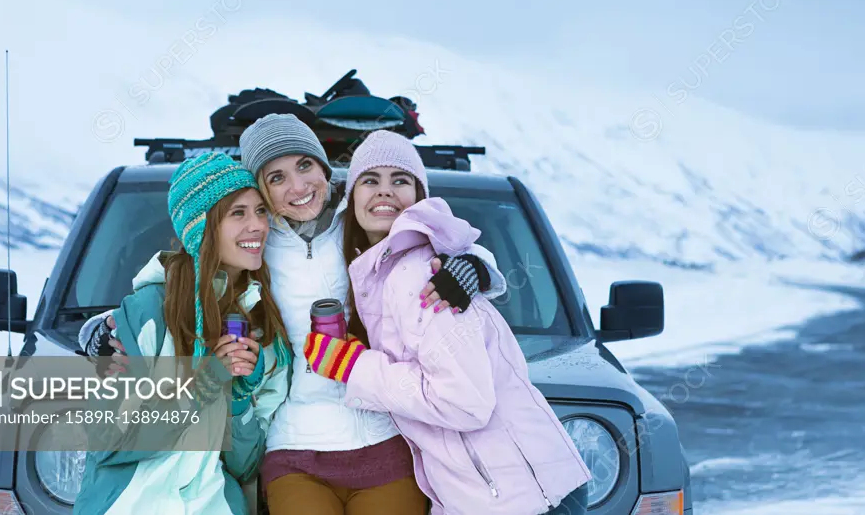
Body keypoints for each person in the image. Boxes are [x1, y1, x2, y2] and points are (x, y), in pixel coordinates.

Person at [83, 114, 505, 515]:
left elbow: (431, 237)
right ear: (261, 189)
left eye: (306, 165)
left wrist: (474, 264)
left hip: (385, 426)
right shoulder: (256, 245)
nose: (298, 186)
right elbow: (188, 268)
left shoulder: (361, 224)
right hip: (292, 440)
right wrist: (99, 327)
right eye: (276, 177)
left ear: (325, 168)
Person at [303, 130, 592, 515]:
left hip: (521, 497)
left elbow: (464, 403)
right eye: (370, 180)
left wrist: (354, 367)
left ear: (420, 199)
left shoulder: (423, 276)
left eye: (400, 180)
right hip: (490, 492)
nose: (385, 191)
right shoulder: (379, 273)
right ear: (352, 197)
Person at [74, 152, 293, 515]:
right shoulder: (147, 313)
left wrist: (239, 400)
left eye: (260, 211)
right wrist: (205, 384)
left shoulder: (262, 331)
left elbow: (246, 466)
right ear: (200, 227)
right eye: (237, 213)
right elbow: (108, 442)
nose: (257, 225)